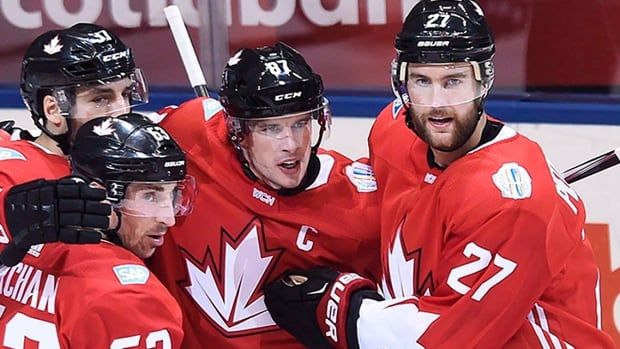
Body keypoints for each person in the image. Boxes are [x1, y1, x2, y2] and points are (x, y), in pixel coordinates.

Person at [262, 0, 616, 347]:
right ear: (400, 80)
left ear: (484, 81)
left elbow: (450, 337)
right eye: (421, 80)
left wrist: (343, 308)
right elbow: (363, 221)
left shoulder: (512, 203)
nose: (436, 103)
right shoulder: (393, 132)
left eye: (453, 81)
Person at [147, 42, 381, 347]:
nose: (291, 144)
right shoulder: (189, 134)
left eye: (300, 123)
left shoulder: (358, 205)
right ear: (237, 131)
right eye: (270, 128)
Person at [0, 113, 192, 347]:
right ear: (99, 194)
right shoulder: (131, 298)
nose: (168, 218)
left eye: (172, 194)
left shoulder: (19, 245)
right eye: (149, 195)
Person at [0, 23, 149, 266]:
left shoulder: (138, 162)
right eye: (101, 98)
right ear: (54, 109)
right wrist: (12, 222)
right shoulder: (9, 169)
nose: (121, 111)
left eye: (126, 94)